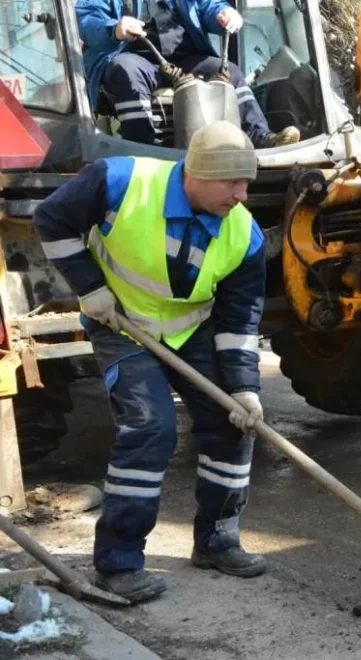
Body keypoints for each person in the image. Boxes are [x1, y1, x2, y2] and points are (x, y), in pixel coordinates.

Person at [33, 121, 269, 603]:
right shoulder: (118, 181)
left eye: (248, 182)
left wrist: (244, 388)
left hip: (191, 328)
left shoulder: (245, 235)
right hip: (122, 323)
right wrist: (90, 288)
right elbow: (51, 220)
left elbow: (240, 318)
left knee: (233, 424)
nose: (242, 195)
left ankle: (218, 541)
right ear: (197, 175)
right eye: (232, 182)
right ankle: (118, 563)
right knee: (150, 428)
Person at [75, 0, 300, 149]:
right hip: (134, 56)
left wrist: (224, 14)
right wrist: (114, 28)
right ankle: (142, 149)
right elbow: (86, 19)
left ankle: (261, 137)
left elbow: (209, 5)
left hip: (185, 58)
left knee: (230, 71)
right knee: (125, 71)